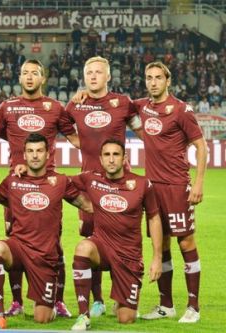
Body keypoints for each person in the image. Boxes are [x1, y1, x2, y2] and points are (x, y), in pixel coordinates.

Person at [0, 59, 79, 318]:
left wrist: (103, 143)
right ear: (20, 77)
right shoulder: (7, 107)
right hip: (16, 187)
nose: (29, 77)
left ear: (43, 78)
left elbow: (75, 138)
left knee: (53, 245)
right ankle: (16, 301)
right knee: (15, 241)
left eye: (34, 73)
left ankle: (57, 300)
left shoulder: (55, 108)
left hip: (47, 187)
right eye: (24, 72)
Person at [0, 133, 92, 329]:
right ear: (24, 155)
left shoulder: (60, 181)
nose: (35, 155)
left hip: (45, 255)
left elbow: (87, 205)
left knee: (42, 318)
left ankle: (50, 303)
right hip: (18, 247)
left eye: (39, 151)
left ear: (48, 154)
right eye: (30, 151)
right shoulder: (12, 181)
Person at [64, 56, 143, 317]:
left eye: (99, 72)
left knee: (123, 239)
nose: (94, 76)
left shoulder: (122, 103)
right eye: (90, 72)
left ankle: (123, 292)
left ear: (108, 76)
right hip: (90, 185)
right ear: (84, 77)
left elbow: (142, 131)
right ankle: (97, 299)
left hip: (120, 184)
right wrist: (83, 142)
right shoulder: (76, 105)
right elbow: (65, 128)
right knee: (91, 239)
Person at [138, 62, 206, 323]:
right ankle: (166, 305)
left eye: (158, 78)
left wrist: (198, 183)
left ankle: (194, 307)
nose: (153, 82)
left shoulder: (181, 110)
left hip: (177, 186)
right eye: (149, 78)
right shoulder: (143, 106)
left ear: (168, 81)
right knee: (161, 243)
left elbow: (201, 147)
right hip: (152, 189)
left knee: (186, 242)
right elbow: (116, 104)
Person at [69, 139, 163, 331]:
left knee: (125, 318)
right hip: (101, 246)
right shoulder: (90, 178)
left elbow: (154, 219)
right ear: (101, 160)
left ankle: (121, 302)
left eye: (116, 154)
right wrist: (84, 204)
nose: (111, 160)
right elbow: (59, 183)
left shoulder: (141, 184)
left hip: (128, 256)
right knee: (83, 247)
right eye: (107, 155)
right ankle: (83, 315)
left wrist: (157, 257)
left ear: (124, 158)